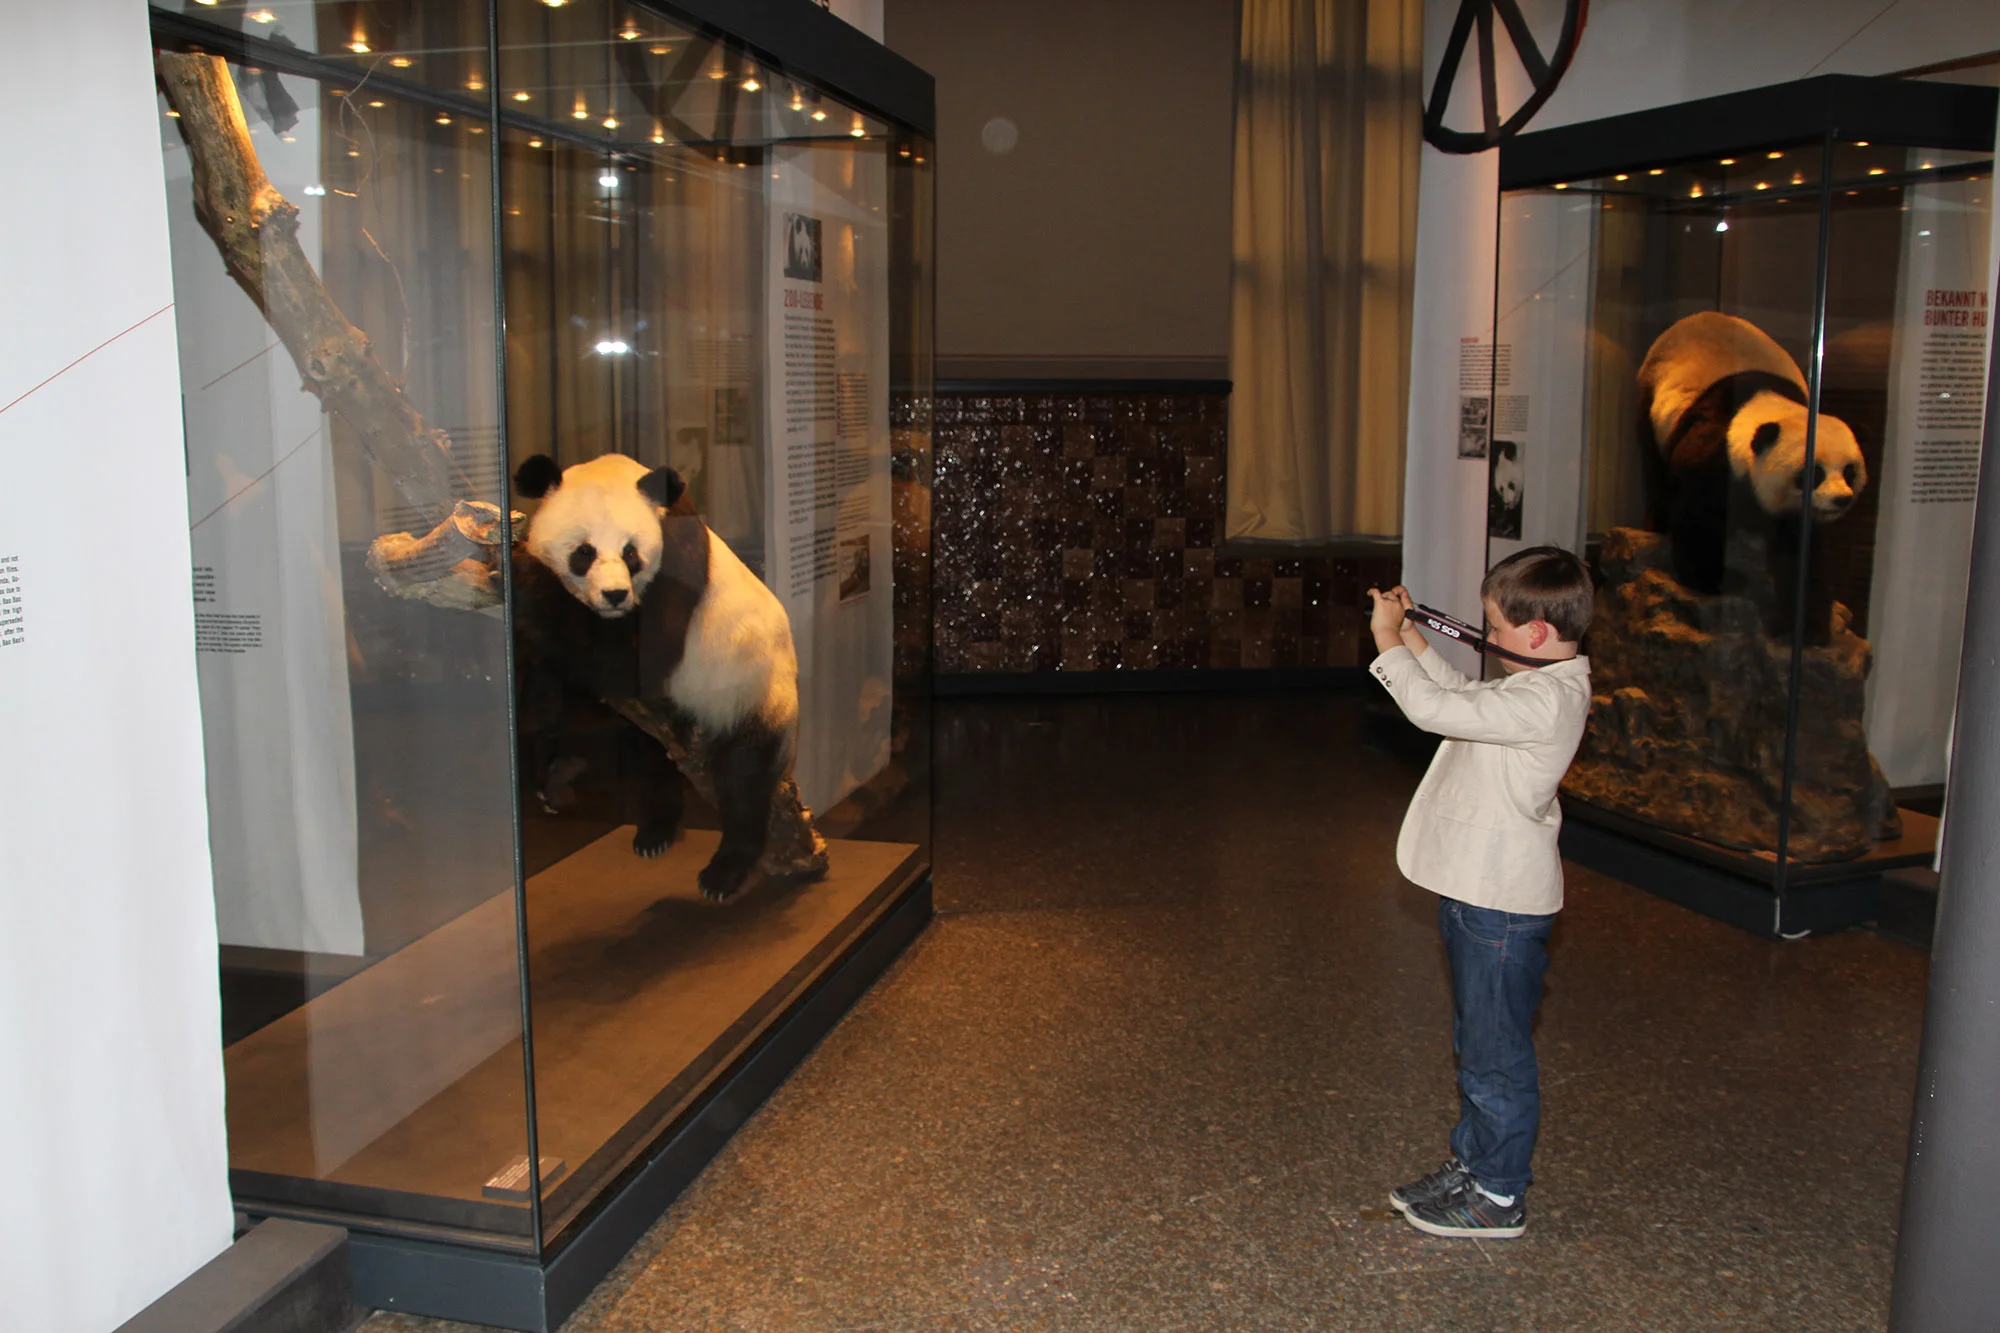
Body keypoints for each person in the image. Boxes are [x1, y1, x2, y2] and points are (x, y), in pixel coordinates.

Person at [1363, 546, 1594, 1240]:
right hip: (1478, 892)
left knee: (1496, 1055)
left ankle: (1498, 1194)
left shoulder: (1549, 698)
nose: (1485, 638)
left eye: (1492, 627)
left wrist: (1384, 641)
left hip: (1500, 905)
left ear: (1534, 634)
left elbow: (1434, 711)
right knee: (1478, 1043)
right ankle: (1475, 1162)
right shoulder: (1530, 684)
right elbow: (1463, 701)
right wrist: (1412, 640)